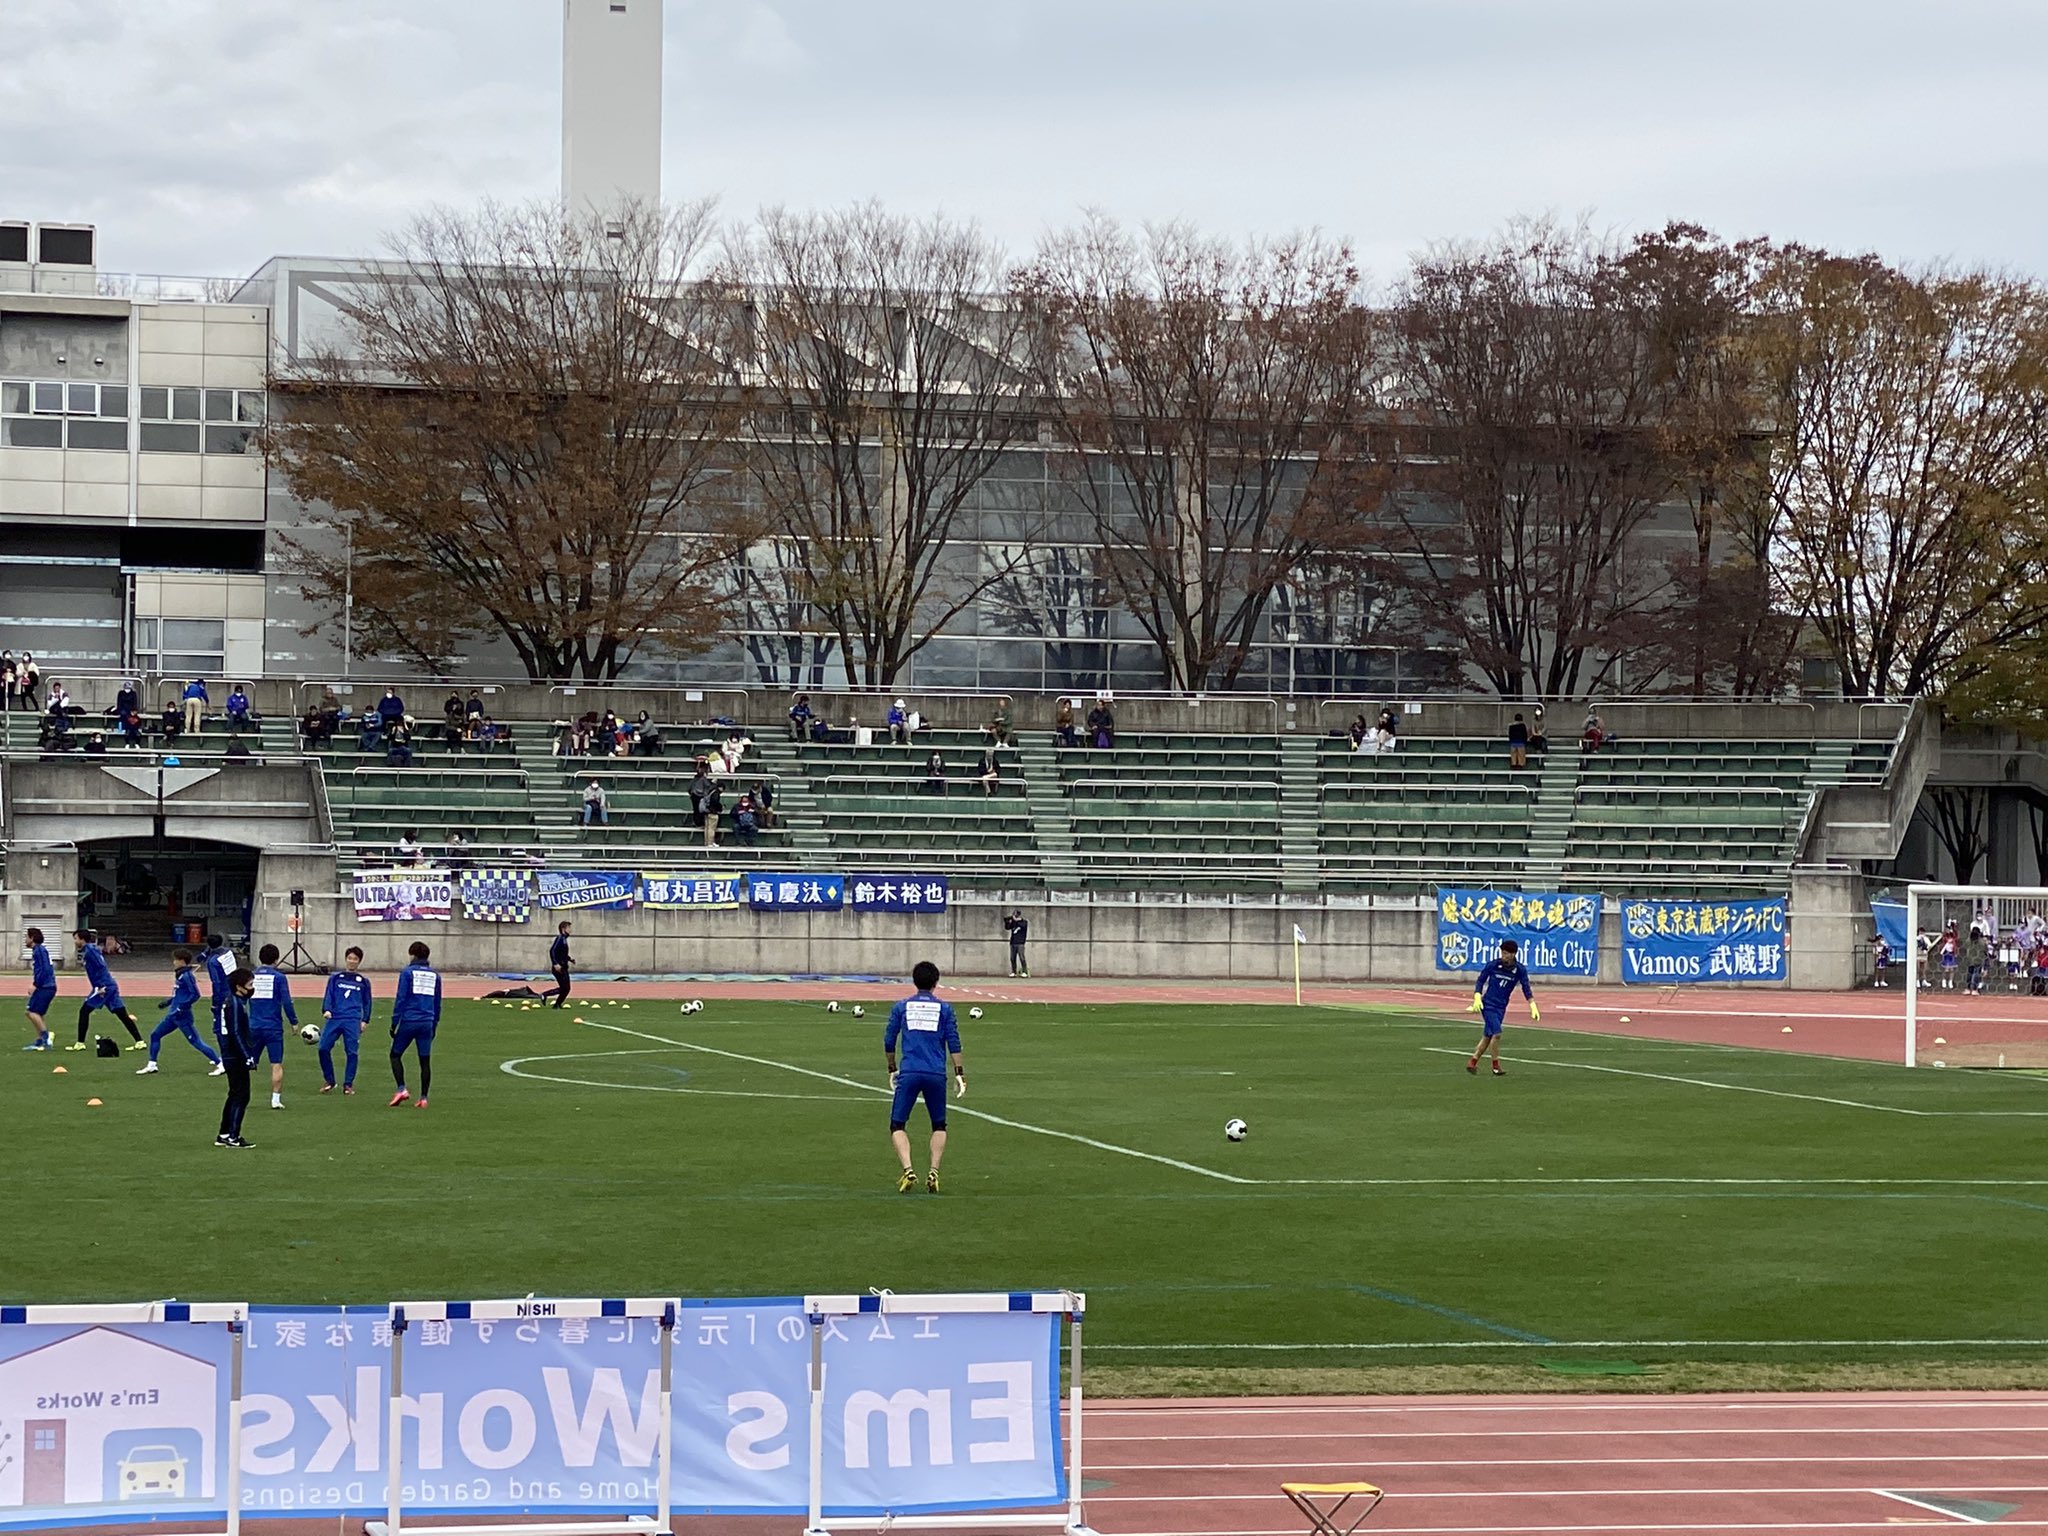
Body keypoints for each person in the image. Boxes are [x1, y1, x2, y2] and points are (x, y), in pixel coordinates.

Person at [883, 959, 966, 1194]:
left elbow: (889, 1040)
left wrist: (892, 1068)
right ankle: (934, 1170)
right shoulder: (945, 1009)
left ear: (914, 981)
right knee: (939, 1124)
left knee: (897, 1124)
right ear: (936, 983)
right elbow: (954, 1043)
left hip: (909, 1072)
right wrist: (959, 1073)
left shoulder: (901, 1007)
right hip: (936, 1073)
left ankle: (908, 1169)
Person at [136, 948, 223, 1075]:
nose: (174, 962)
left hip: (182, 1016)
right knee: (155, 1035)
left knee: (195, 1041)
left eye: (176, 960)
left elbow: (195, 995)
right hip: (173, 1015)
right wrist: (168, 1002)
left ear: (182, 961)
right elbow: (180, 994)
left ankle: (219, 1064)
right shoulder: (180, 975)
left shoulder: (187, 976)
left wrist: (181, 1008)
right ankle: (152, 1064)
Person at [1464, 938, 1538, 1077]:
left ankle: (1472, 1062)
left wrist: (1532, 1005)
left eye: (1506, 953)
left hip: (1501, 1006)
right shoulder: (1493, 965)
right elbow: (1481, 980)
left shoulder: (1519, 970)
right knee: (1497, 1034)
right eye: (1502, 953)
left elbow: (1526, 987)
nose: (1503, 956)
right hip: (1488, 1005)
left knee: (1488, 1036)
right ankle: (1496, 1066)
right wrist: (1477, 996)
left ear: (1513, 954)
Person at [69, 928, 144, 1050]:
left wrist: (101, 987)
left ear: (82, 939)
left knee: (84, 1011)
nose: (75, 941)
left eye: (76, 939)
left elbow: (100, 965)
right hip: (109, 985)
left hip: (104, 987)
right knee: (121, 1014)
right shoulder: (91, 950)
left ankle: (80, 1043)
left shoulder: (90, 951)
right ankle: (140, 1041)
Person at [388, 940, 441, 1108]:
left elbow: (401, 998)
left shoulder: (407, 973)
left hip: (410, 1020)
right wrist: (434, 1025)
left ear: (413, 955)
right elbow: (437, 1002)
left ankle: (401, 1088)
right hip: (427, 1021)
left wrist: (394, 1022)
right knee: (424, 1061)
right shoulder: (435, 975)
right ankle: (424, 1097)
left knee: (395, 1055)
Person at [250, 943, 299, 1110]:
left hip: (254, 1025)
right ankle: (275, 1099)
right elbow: (286, 1001)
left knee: (247, 1063)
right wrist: (293, 1021)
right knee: (276, 1063)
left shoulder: (252, 975)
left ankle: (242, 1095)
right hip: (273, 1027)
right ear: (276, 960)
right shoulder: (279, 978)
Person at [215, 968, 259, 1149]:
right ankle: (233, 1136)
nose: (252, 988)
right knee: (242, 1095)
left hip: (231, 1054)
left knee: (234, 1094)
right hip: (234, 1055)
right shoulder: (234, 1003)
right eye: (249, 985)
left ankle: (224, 1133)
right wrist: (246, 1056)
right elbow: (234, 1032)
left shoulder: (236, 1001)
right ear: (239, 986)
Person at [319, 946, 372, 1095]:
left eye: (355, 959)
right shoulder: (336, 978)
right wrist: (326, 1009)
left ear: (359, 962)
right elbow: (329, 994)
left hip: (352, 1019)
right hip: (335, 1017)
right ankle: (330, 1080)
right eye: (350, 958)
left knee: (352, 1052)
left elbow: (367, 1002)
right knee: (323, 1048)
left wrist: (365, 1020)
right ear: (346, 959)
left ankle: (348, 1084)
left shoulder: (363, 981)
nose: (352, 961)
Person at [22, 925, 55, 1051]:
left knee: (31, 1012)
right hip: (47, 986)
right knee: (38, 1013)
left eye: (27, 937)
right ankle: (40, 1041)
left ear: (32, 938)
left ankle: (46, 1038)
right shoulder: (40, 950)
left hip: (45, 987)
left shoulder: (39, 951)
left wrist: (35, 984)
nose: (25, 939)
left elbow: (44, 969)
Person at [202, 932, 237, 1036]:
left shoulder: (213, 962)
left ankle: (220, 1033)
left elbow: (216, 983)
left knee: (219, 1017)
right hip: (233, 986)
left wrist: (215, 1002)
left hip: (222, 991)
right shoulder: (228, 952)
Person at [548, 920, 574, 1009]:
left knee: (566, 988)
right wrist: (555, 964)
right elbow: (552, 951)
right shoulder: (560, 938)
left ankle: (557, 1004)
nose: (571, 930)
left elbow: (562, 954)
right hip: (559, 968)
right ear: (563, 929)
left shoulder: (564, 940)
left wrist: (570, 959)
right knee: (565, 988)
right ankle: (545, 995)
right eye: (569, 928)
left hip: (564, 966)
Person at [1964, 924, 1989, 996]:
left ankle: (1970, 988)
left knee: (1973, 974)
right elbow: (1986, 953)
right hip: (1974, 960)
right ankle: (1972, 989)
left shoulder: (1970, 941)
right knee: (1973, 975)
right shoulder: (1980, 942)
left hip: (1975, 960)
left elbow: (1985, 953)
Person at [1005, 909, 1030, 978]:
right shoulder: (1013, 923)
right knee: (1012, 958)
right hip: (1013, 942)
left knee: (1022, 957)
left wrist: (1016, 920)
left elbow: (1022, 925)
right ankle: (1013, 972)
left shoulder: (1024, 922)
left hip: (1020, 943)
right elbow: (1007, 927)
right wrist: (1008, 921)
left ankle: (1025, 972)